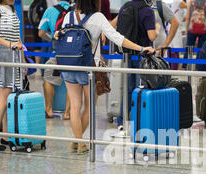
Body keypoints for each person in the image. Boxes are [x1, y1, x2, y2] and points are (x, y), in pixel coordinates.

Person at [59, 0, 155, 153]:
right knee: (89, 107)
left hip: (69, 66)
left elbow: (60, 36)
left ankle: (77, 140)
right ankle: (80, 142)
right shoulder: (98, 17)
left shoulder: (69, 16)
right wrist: (141, 48)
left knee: (75, 107)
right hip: (89, 68)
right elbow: (118, 38)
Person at [110, 0, 157, 133]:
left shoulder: (125, 6)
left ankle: (122, 121)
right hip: (142, 55)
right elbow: (152, 36)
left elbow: (113, 26)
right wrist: (157, 28)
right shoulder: (148, 11)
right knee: (141, 88)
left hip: (126, 55)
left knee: (128, 88)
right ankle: (139, 121)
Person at [0, 0, 24, 151]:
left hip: (15, 56)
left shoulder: (12, 8)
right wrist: (8, 44)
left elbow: (17, 36)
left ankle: (5, 135)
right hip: (5, 54)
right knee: (4, 96)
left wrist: (23, 59)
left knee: (8, 96)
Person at [38, 0, 72, 120]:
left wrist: (51, 40)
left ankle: (49, 109)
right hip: (73, 54)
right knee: (72, 82)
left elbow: (41, 32)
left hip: (56, 53)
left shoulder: (50, 10)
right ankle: (68, 113)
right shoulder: (76, 11)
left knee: (48, 78)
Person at [182, 0, 206, 69]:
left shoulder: (191, 2)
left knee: (189, 47)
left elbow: (188, 17)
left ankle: (185, 66)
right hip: (203, 29)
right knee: (201, 48)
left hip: (192, 28)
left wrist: (187, 29)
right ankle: (198, 67)